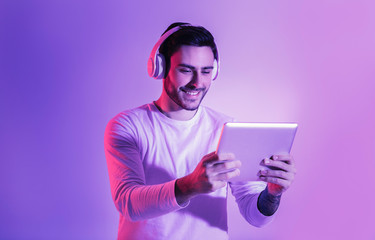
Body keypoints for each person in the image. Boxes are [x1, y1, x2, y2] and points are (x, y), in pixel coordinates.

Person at [104, 22, 296, 240]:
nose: (197, 83)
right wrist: (190, 185)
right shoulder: (127, 126)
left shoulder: (226, 128)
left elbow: (256, 217)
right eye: (186, 70)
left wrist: (272, 193)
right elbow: (128, 204)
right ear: (161, 67)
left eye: (206, 71)